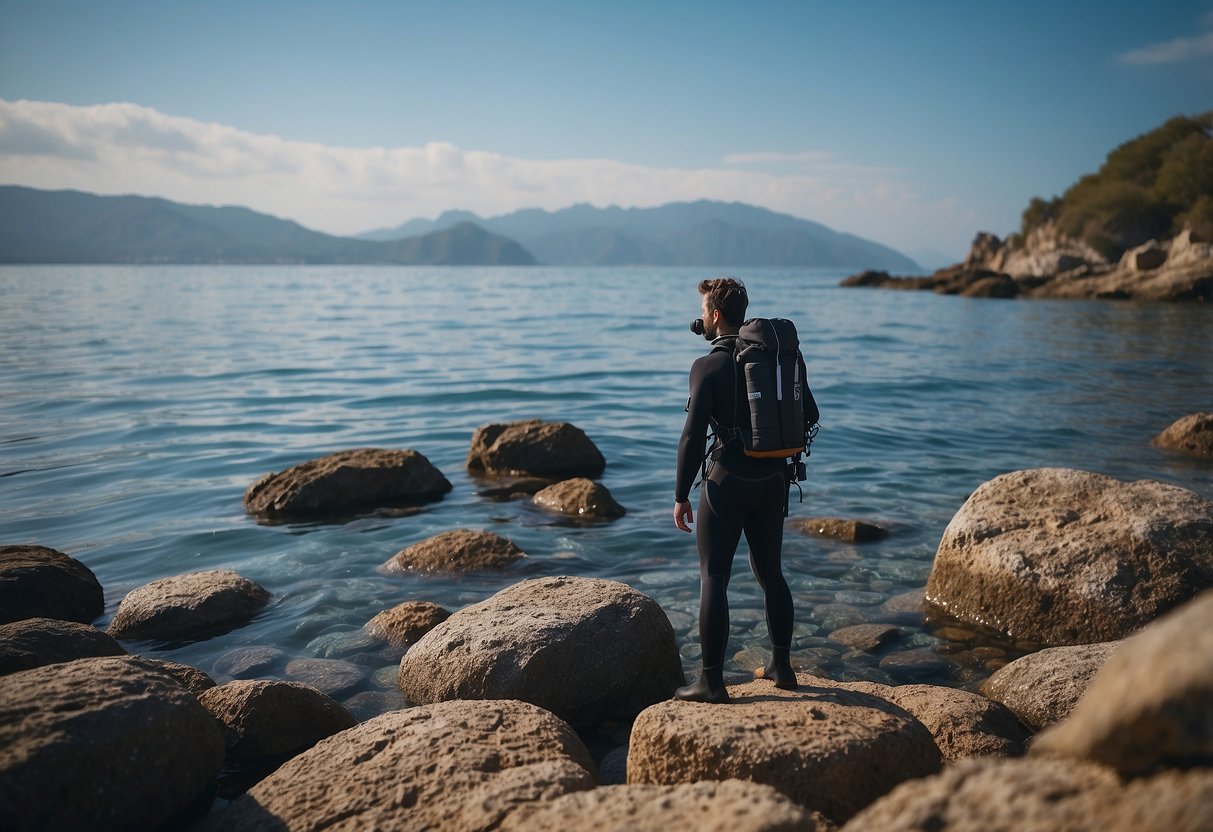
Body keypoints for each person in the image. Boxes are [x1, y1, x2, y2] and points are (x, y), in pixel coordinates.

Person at [672, 277, 818, 703]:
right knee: (771, 572)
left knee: (714, 576)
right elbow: (810, 411)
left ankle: (711, 682)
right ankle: (782, 666)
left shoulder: (707, 366)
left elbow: (691, 437)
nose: (700, 316)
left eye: (703, 309)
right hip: (774, 481)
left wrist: (681, 494)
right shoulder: (777, 358)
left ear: (715, 316)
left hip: (728, 482)